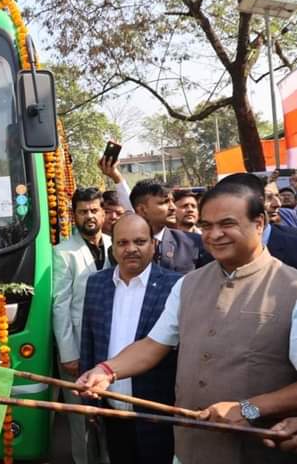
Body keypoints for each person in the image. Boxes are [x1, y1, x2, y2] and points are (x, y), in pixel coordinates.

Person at [77, 182, 297, 464]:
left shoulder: (290, 288)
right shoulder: (188, 284)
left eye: (227, 224)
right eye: (206, 226)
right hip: (189, 449)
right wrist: (107, 370)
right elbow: (153, 345)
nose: (215, 235)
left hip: (258, 452)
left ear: (259, 223)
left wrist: (249, 408)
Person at [80, 213, 181, 463]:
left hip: (157, 413)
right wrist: (89, 399)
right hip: (111, 411)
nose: (131, 249)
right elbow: (89, 342)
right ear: (112, 247)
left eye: (139, 241)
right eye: (123, 243)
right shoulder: (97, 284)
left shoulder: (176, 286)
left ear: (153, 244)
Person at [52, 187, 111, 464]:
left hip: (112, 347)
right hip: (78, 349)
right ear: (74, 215)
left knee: (111, 417)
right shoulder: (63, 252)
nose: (89, 216)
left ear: (103, 212)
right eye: (83, 211)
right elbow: (60, 305)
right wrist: (68, 353)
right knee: (82, 420)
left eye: (94, 210)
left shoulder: (116, 244)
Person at [129, 179, 210, 273]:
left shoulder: (194, 243)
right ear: (142, 210)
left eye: (172, 201)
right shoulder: (124, 247)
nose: (173, 207)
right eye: (164, 202)